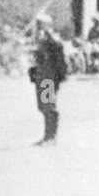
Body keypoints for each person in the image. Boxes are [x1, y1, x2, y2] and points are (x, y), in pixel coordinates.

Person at [29, 14, 67, 146]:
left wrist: (61, 75)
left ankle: (51, 137)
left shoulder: (52, 39)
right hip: (41, 75)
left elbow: (59, 53)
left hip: (49, 77)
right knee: (43, 106)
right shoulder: (40, 38)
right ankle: (46, 136)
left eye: (40, 24)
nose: (37, 26)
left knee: (48, 106)